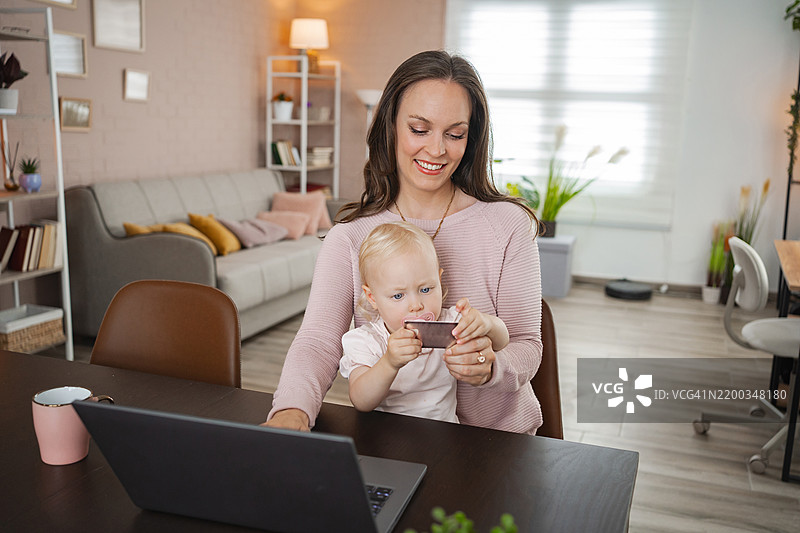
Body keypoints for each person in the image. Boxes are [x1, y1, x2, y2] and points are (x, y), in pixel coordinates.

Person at [266, 49, 543, 435]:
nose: (436, 149)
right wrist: (291, 411)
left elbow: (527, 343)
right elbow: (317, 343)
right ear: (391, 126)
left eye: (455, 134)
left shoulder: (509, 225)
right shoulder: (350, 237)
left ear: (471, 138)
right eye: (419, 129)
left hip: (496, 444)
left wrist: (493, 367)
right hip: (397, 442)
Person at [341, 221, 509, 423]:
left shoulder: (451, 324)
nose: (416, 305)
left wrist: (487, 324)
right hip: (385, 438)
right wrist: (389, 362)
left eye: (425, 289)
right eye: (398, 296)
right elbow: (361, 401)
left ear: (439, 280)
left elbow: (502, 341)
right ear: (372, 297)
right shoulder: (367, 340)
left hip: (444, 437)